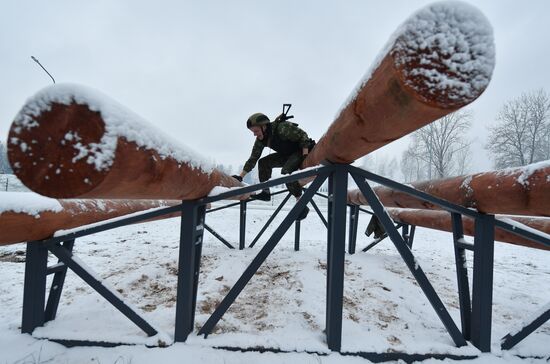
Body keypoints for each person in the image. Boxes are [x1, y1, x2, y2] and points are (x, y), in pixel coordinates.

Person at [233, 112, 315, 220]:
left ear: (264, 127)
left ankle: (301, 204)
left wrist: (305, 156)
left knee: (286, 172)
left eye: (256, 131)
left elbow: (303, 137)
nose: (255, 134)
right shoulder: (261, 139)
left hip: (300, 150)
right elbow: (253, 158)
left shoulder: (282, 128)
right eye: (253, 132)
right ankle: (265, 192)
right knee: (263, 162)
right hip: (286, 155)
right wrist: (241, 176)